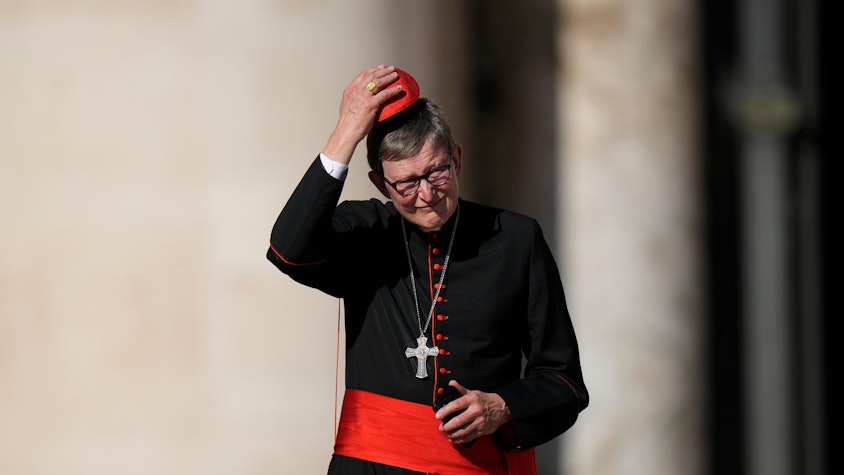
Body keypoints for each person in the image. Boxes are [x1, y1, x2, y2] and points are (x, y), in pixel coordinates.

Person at [267, 65, 588, 475]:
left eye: (437, 172)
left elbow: (564, 381)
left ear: (456, 159)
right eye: (405, 183)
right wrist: (348, 128)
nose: (426, 194)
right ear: (381, 185)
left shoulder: (516, 239)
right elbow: (288, 249)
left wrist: (502, 407)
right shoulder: (366, 232)